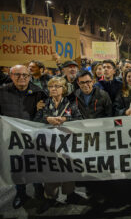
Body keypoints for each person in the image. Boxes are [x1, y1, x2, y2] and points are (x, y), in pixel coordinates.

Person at [34, 76, 83, 213]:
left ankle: (70, 194)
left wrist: (65, 119)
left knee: (68, 169)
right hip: (48, 144)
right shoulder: (43, 103)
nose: (53, 89)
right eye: (51, 86)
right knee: (50, 170)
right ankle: (50, 197)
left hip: (66, 144)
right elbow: (35, 120)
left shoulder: (70, 104)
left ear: (64, 89)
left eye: (56, 86)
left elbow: (79, 119)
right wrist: (46, 119)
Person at [0, 65, 46, 209]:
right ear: (10, 75)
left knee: (36, 166)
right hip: (11, 139)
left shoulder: (39, 92)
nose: (22, 78)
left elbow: (45, 114)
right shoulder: (2, 92)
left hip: (33, 138)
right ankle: (21, 193)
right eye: (17, 75)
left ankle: (39, 192)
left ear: (30, 76)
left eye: (25, 75)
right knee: (17, 167)